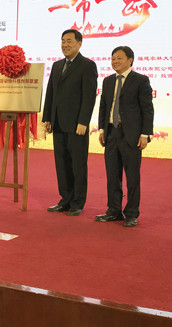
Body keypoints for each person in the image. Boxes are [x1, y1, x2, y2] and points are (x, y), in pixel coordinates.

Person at [42, 29, 98, 216]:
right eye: (63, 41)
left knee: (78, 165)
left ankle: (77, 203)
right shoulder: (57, 65)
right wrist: (47, 118)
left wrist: (83, 121)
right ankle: (65, 199)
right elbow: (50, 93)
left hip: (76, 125)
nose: (65, 45)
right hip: (58, 123)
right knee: (61, 163)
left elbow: (89, 96)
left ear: (79, 43)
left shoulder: (87, 65)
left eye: (69, 41)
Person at [96, 46, 153, 227]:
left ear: (130, 60)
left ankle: (131, 213)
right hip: (111, 133)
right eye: (113, 58)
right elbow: (104, 107)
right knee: (112, 175)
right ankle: (113, 211)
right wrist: (102, 130)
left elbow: (147, 109)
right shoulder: (108, 81)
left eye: (119, 58)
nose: (115, 61)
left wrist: (145, 134)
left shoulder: (140, 80)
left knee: (132, 176)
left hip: (131, 136)